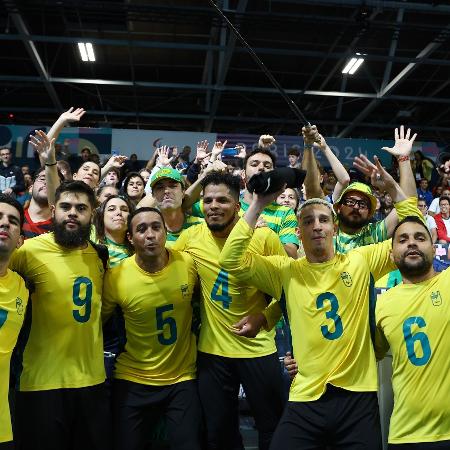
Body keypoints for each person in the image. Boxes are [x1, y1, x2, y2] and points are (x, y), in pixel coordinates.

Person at [218, 158, 421, 450]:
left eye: (324, 220)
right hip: (306, 396)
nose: (316, 226)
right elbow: (230, 261)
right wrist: (258, 204)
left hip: (357, 396)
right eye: (308, 221)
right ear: (298, 232)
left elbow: (411, 232)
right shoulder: (285, 270)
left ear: (334, 228)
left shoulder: (361, 261)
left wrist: (392, 186)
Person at [173, 172, 286, 450]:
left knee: (272, 427)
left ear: (238, 206)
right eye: (208, 200)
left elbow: (288, 291)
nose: (214, 206)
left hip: (258, 349)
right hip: (213, 352)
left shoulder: (264, 237)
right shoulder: (190, 237)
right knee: (219, 432)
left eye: (223, 200)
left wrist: (265, 317)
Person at [10, 181, 111, 450]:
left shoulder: (100, 256)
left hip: (92, 381)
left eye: (81, 208)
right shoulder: (28, 252)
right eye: (65, 207)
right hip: (41, 382)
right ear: (53, 210)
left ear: (92, 214)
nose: (72, 213)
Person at [102, 207, 201, 450]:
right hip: (133, 376)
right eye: (142, 229)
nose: (150, 235)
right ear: (130, 238)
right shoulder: (116, 277)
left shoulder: (186, 263)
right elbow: (97, 324)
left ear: (166, 232)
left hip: (181, 377)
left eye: (156, 227)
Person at [375, 216, 450, 448]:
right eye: (403, 239)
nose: (412, 243)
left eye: (420, 238)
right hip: (406, 434)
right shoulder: (380, 304)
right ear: (391, 253)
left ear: (433, 246)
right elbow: (362, 355)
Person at [0, 194, 28, 450]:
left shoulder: (22, 288)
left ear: (20, 240)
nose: (4, 223)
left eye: (12, 220)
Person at [240, 147, 299, 258]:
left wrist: (266, 234)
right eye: (254, 164)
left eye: (267, 166)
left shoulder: (285, 213)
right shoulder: (229, 206)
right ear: (243, 174)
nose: (261, 168)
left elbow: (291, 256)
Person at [142, 167, 203, 246]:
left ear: (183, 192)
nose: (166, 191)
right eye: (160, 187)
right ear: (153, 196)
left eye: (172, 186)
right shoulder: (147, 234)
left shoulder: (201, 225)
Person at [93, 194, 134, 267]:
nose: (119, 213)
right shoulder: (91, 234)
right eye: (111, 209)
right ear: (102, 216)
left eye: (124, 210)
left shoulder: (138, 248)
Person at [22, 168, 53, 239]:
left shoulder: (62, 228)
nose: (47, 182)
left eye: (53, 181)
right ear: (31, 188)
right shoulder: (14, 217)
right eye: (42, 179)